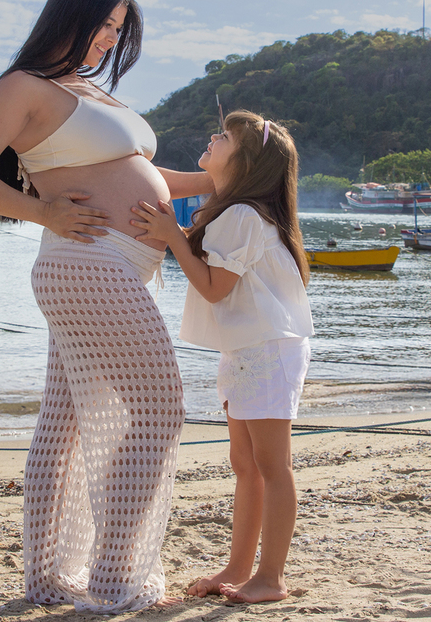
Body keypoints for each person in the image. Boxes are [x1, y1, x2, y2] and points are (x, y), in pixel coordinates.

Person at [0, 0, 211, 613]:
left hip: (114, 266)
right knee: (159, 409)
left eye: (118, 32)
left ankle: (49, 579)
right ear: (71, 15)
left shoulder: (90, 93)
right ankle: (117, 579)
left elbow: (142, 175)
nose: (108, 41)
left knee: (62, 425)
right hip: (85, 262)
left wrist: (228, 181)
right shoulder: (25, 85)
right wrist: (46, 213)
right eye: (104, 26)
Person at [129, 110, 313, 604]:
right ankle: (238, 566)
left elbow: (213, 288)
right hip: (250, 347)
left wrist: (172, 239)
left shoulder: (244, 216)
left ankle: (270, 577)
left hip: (269, 348)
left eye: (224, 136)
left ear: (247, 161)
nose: (213, 137)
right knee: (245, 464)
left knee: (272, 465)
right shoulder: (234, 212)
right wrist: (174, 236)